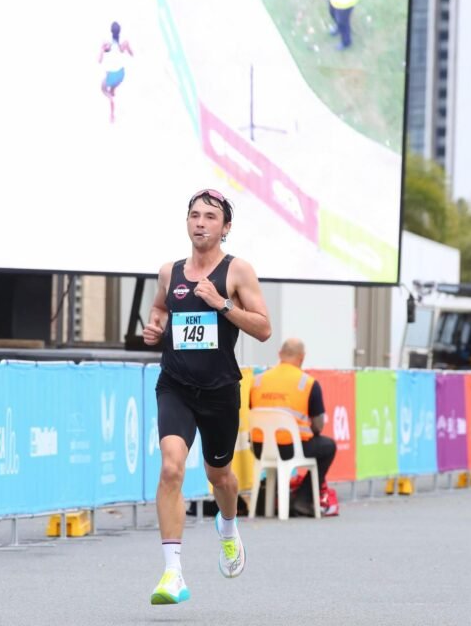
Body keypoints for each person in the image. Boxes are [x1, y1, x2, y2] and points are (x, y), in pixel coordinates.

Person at [142, 188, 271, 604]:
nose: (200, 222)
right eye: (194, 215)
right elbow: (161, 308)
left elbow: (264, 329)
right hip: (175, 385)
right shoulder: (169, 272)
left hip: (219, 390)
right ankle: (172, 574)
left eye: (210, 217)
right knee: (171, 468)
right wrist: (155, 327)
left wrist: (222, 305)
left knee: (220, 477)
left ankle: (228, 528)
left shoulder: (238, 272)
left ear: (225, 227)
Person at [249, 338, 339, 517]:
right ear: (302, 357)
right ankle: (303, 500)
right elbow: (318, 426)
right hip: (289, 449)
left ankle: (279, 499)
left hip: (259, 448)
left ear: (279, 354)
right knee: (328, 446)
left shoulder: (258, 381)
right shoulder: (307, 383)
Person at [98, 22, 133, 124]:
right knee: (114, 80)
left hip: (111, 77)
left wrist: (101, 49)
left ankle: (111, 106)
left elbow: (99, 61)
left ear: (111, 32)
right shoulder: (123, 45)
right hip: (121, 75)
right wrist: (127, 49)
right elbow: (131, 54)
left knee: (103, 88)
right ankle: (113, 89)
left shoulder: (106, 46)